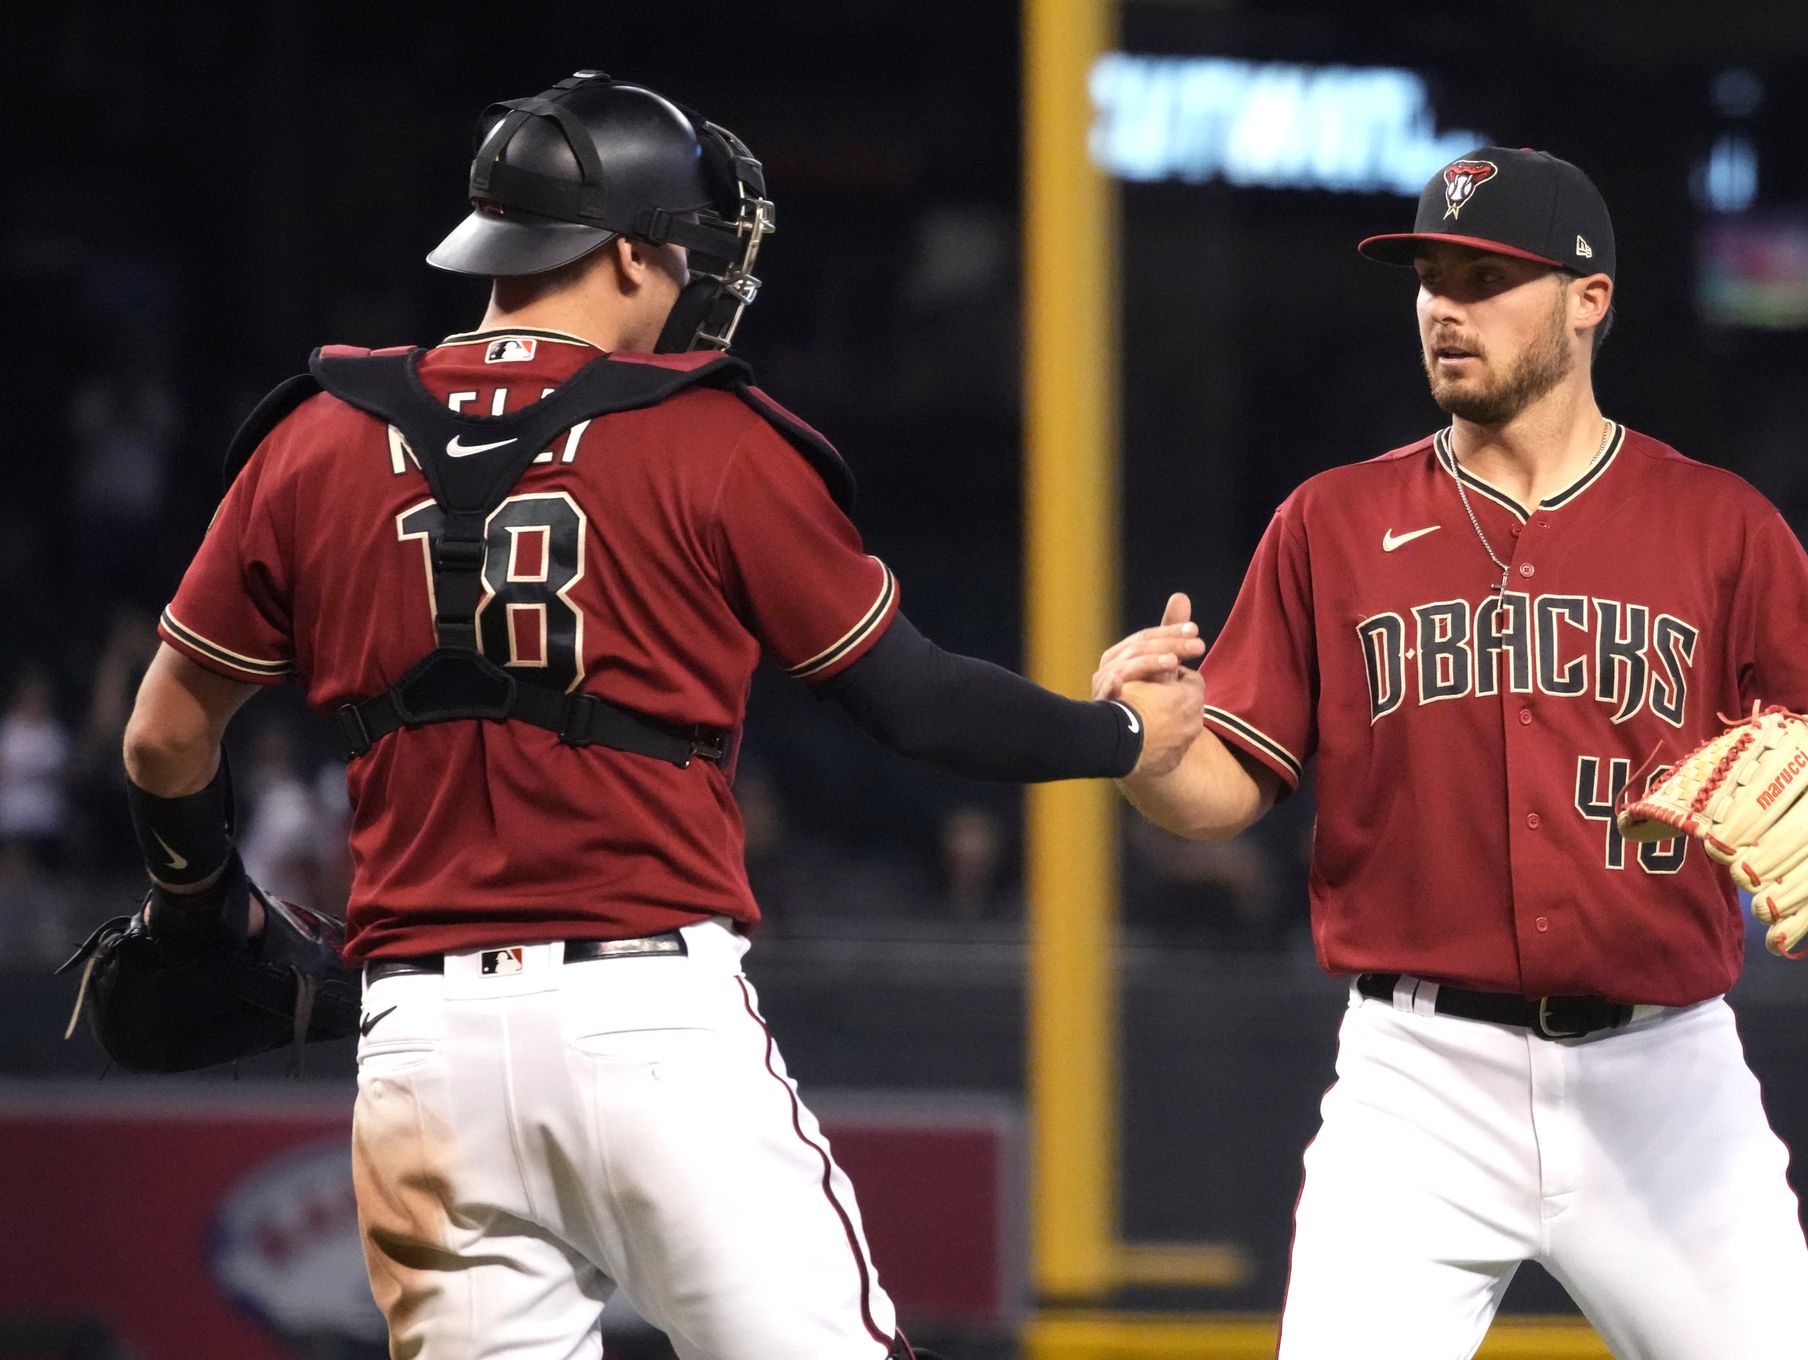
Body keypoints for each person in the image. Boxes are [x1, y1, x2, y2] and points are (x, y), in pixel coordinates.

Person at [119, 71, 1202, 1360]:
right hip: (645, 1024)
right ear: (627, 251)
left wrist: (195, 906)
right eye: (684, 246)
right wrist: (1124, 735)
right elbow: (912, 700)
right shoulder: (711, 435)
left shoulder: (313, 437)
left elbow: (162, 737)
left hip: (418, 1048)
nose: (697, 273)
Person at [1093, 147, 1808, 1358]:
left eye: (1487, 277)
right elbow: (1224, 790)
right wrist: (1146, 751)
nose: (1446, 306)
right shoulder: (1331, 521)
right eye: (1432, 275)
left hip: (1666, 1074)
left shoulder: (1716, 522)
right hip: (1417, 1074)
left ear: (1590, 300)